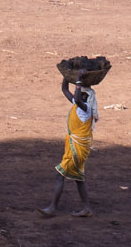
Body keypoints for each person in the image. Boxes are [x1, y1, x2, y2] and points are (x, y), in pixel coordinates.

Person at [40, 78, 97, 217]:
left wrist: (78, 81)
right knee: (79, 178)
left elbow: (76, 98)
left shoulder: (85, 108)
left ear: (85, 97)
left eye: (80, 93)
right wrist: (67, 76)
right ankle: (86, 208)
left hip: (77, 148)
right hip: (77, 147)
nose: (77, 95)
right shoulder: (79, 105)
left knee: (60, 175)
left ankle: (52, 208)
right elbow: (65, 90)